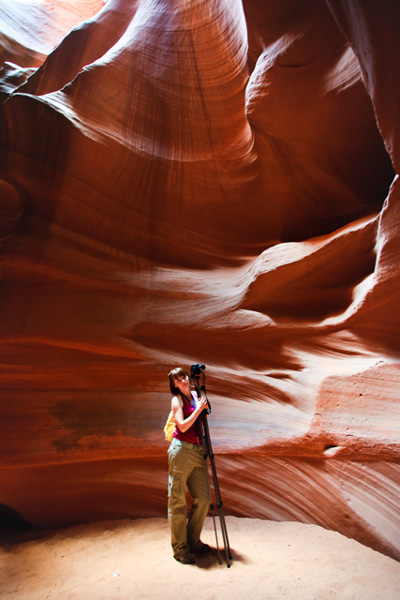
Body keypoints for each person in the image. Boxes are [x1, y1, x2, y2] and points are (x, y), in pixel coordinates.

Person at [167, 366, 211, 564]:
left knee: (203, 498)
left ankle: (193, 541)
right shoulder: (176, 400)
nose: (183, 380)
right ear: (174, 384)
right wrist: (199, 410)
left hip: (197, 450)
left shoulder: (195, 395)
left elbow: (203, 418)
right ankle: (180, 549)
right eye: (178, 379)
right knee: (177, 501)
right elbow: (182, 425)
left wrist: (203, 409)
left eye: (183, 376)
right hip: (181, 450)